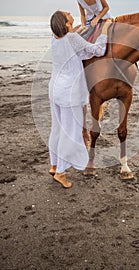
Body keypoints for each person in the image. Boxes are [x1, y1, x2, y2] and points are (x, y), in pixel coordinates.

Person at [48, 10, 109, 188]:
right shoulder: (72, 39)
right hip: (69, 92)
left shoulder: (55, 38)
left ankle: (54, 164)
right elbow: (97, 50)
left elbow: (76, 53)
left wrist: (74, 32)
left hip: (55, 88)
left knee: (57, 128)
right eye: (67, 14)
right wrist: (103, 34)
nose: (69, 12)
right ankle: (60, 173)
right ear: (66, 24)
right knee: (70, 132)